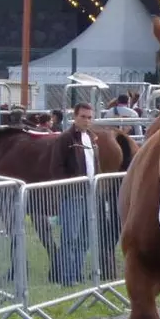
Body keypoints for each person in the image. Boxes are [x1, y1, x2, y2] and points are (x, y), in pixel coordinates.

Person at [53, 102, 99, 286]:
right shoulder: (66, 138)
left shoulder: (93, 138)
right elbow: (56, 167)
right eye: (83, 117)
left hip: (90, 194)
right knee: (69, 237)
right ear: (75, 117)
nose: (86, 121)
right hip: (73, 195)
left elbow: (96, 166)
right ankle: (66, 277)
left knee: (84, 238)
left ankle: (76, 274)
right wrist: (71, 185)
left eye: (89, 117)